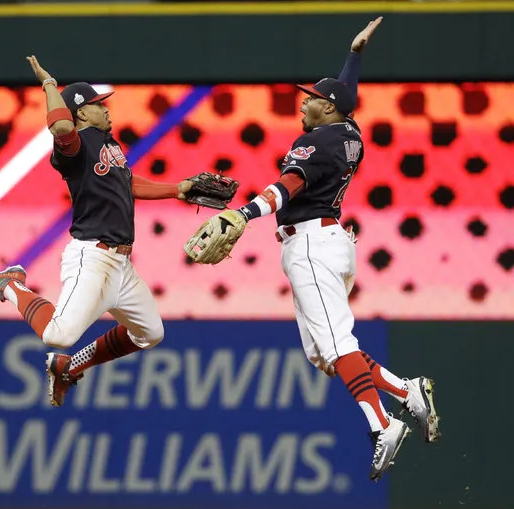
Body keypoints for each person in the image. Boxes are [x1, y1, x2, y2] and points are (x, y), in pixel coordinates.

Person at [186, 17, 440, 481]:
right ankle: (406, 391)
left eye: (312, 99)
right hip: (330, 242)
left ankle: (383, 423)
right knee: (326, 356)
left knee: (338, 345)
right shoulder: (349, 136)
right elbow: (346, 95)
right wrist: (355, 56)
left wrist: (243, 215)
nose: (304, 103)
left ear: (328, 107)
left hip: (310, 245)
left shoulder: (314, 141)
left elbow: (288, 185)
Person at [0, 56, 201, 408]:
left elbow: (127, 183)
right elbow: (60, 129)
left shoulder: (110, 145)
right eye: (97, 105)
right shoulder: (75, 146)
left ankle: (70, 366)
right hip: (93, 257)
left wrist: (177, 189)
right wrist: (49, 85)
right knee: (58, 333)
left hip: (121, 264)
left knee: (150, 333)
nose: (106, 110)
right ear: (81, 113)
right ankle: (10, 283)